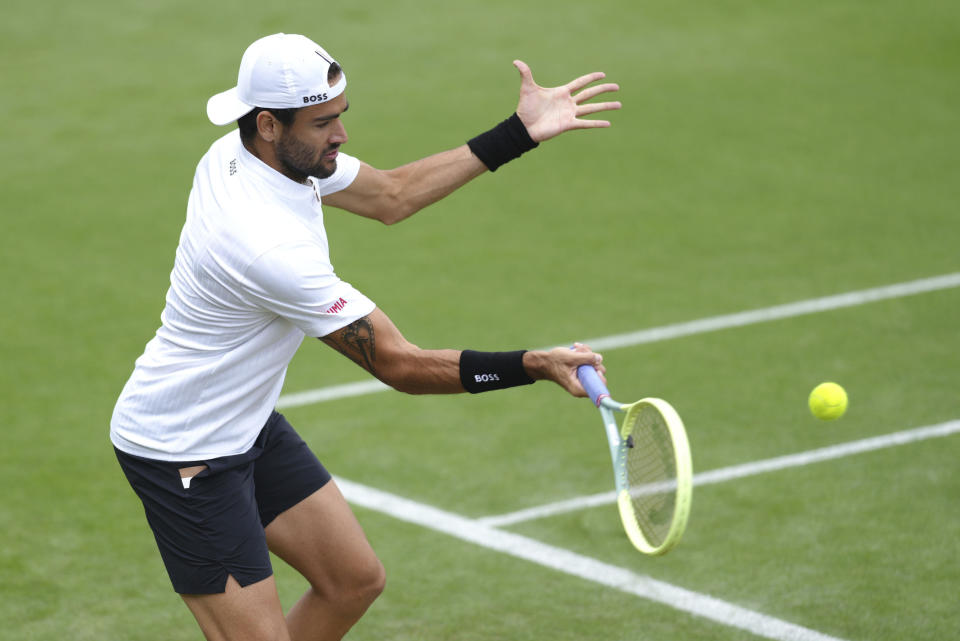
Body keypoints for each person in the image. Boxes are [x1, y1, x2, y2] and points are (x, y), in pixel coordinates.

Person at [111, 32, 620, 641]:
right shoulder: (263, 246)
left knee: (354, 580)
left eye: (341, 116)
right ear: (269, 123)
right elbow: (400, 366)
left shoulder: (246, 151)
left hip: (242, 420)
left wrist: (520, 131)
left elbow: (392, 195)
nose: (342, 135)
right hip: (184, 451)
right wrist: (530, 363)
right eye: (324, 122)